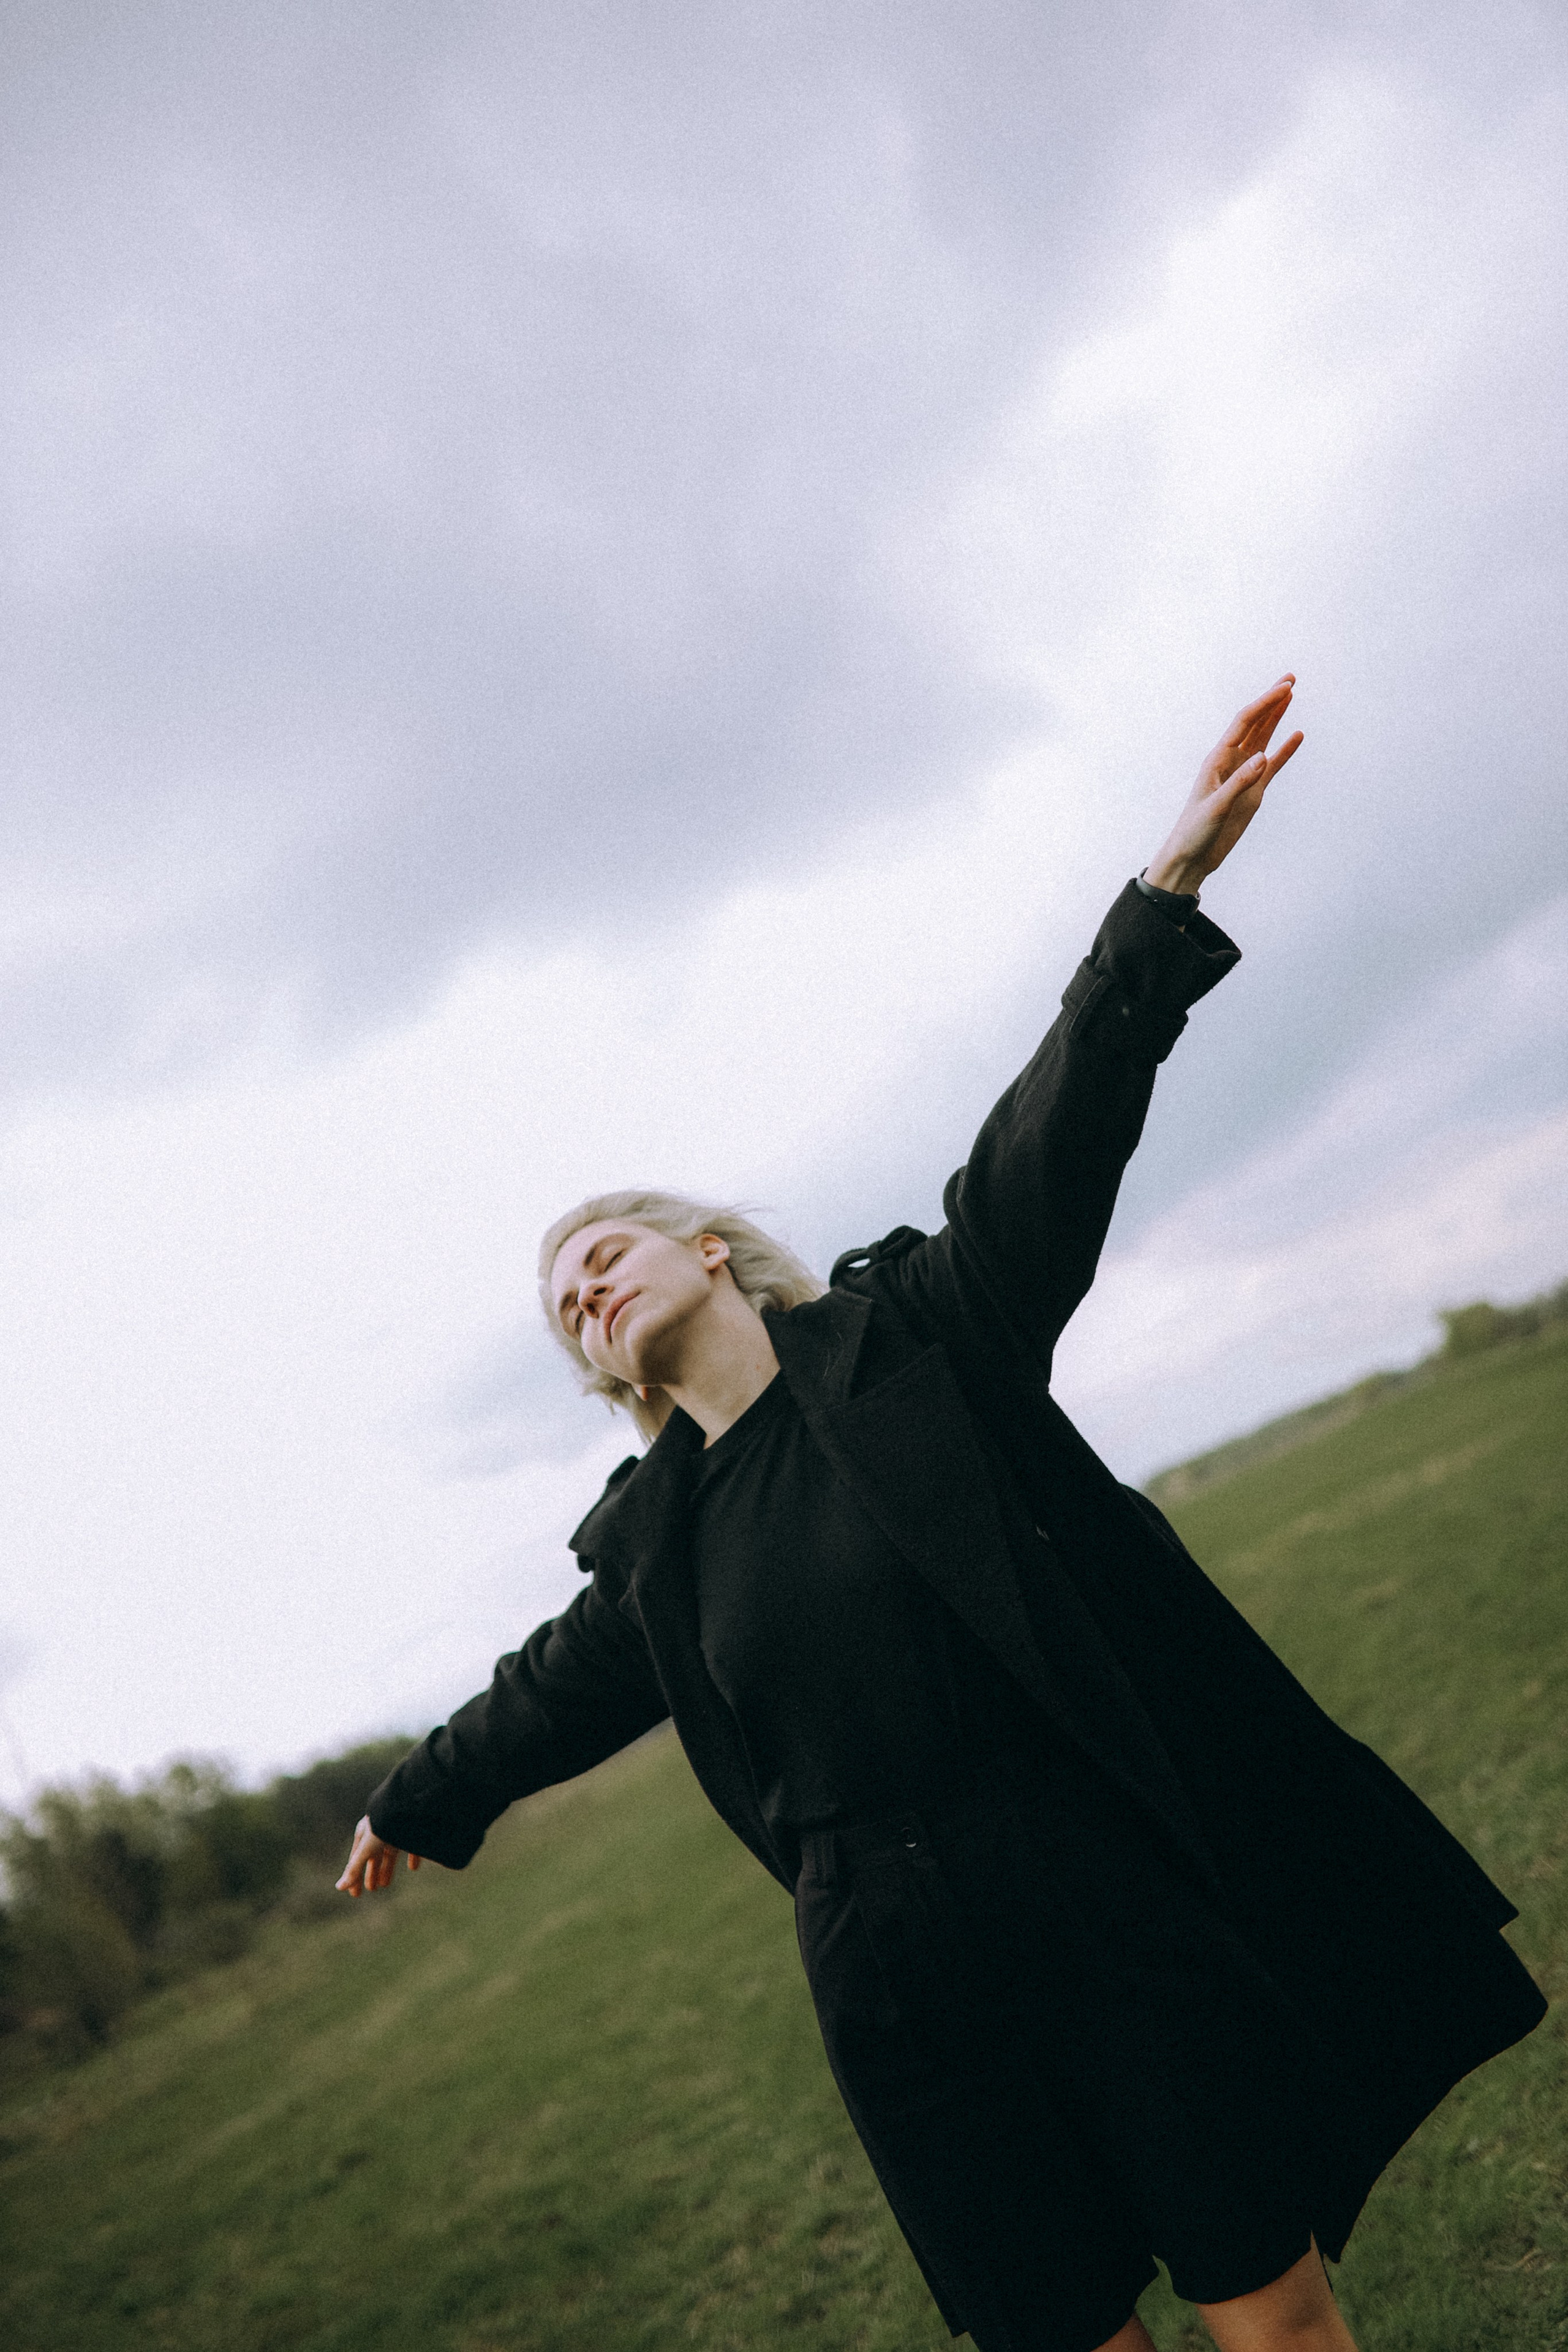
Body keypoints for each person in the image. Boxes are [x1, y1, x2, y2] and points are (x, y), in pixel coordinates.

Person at [339, 677, 1546, 2352]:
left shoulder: (919, 1338)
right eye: (560, 1307)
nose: (581, 1294)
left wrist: (1161, 899)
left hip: (1090, 1885)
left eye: (601, 1252)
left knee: (1263, 2307)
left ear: (706, 1247)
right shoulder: (657, 1546)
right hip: (885, 1970)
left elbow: (1044, 1148)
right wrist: (417, 1793)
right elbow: (546, 1691)